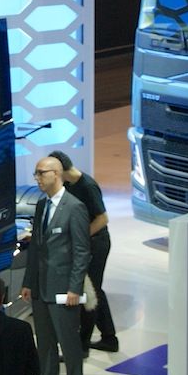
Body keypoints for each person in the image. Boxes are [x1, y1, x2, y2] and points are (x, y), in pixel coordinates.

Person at [19, 155, 91, 375]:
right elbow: (36, 248)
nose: (37, 178)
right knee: (45, 345)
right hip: (41, 288)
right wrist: (28, 281)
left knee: (69, 348)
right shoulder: (41, 205)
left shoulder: (75, 207)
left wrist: (75, 288)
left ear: (56, 174)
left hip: (63, 291)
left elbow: (82, 252)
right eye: (36, 173)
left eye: (41, 173)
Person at [49, 149, 118, 354]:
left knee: (87, 293)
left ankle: (82, 345)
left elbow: (102, 219)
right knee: (94, 290)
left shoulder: (87, 186)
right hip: (87, 244)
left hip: (96, 244)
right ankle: (109, 338)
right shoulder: (69, 186)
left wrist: (80, 237)